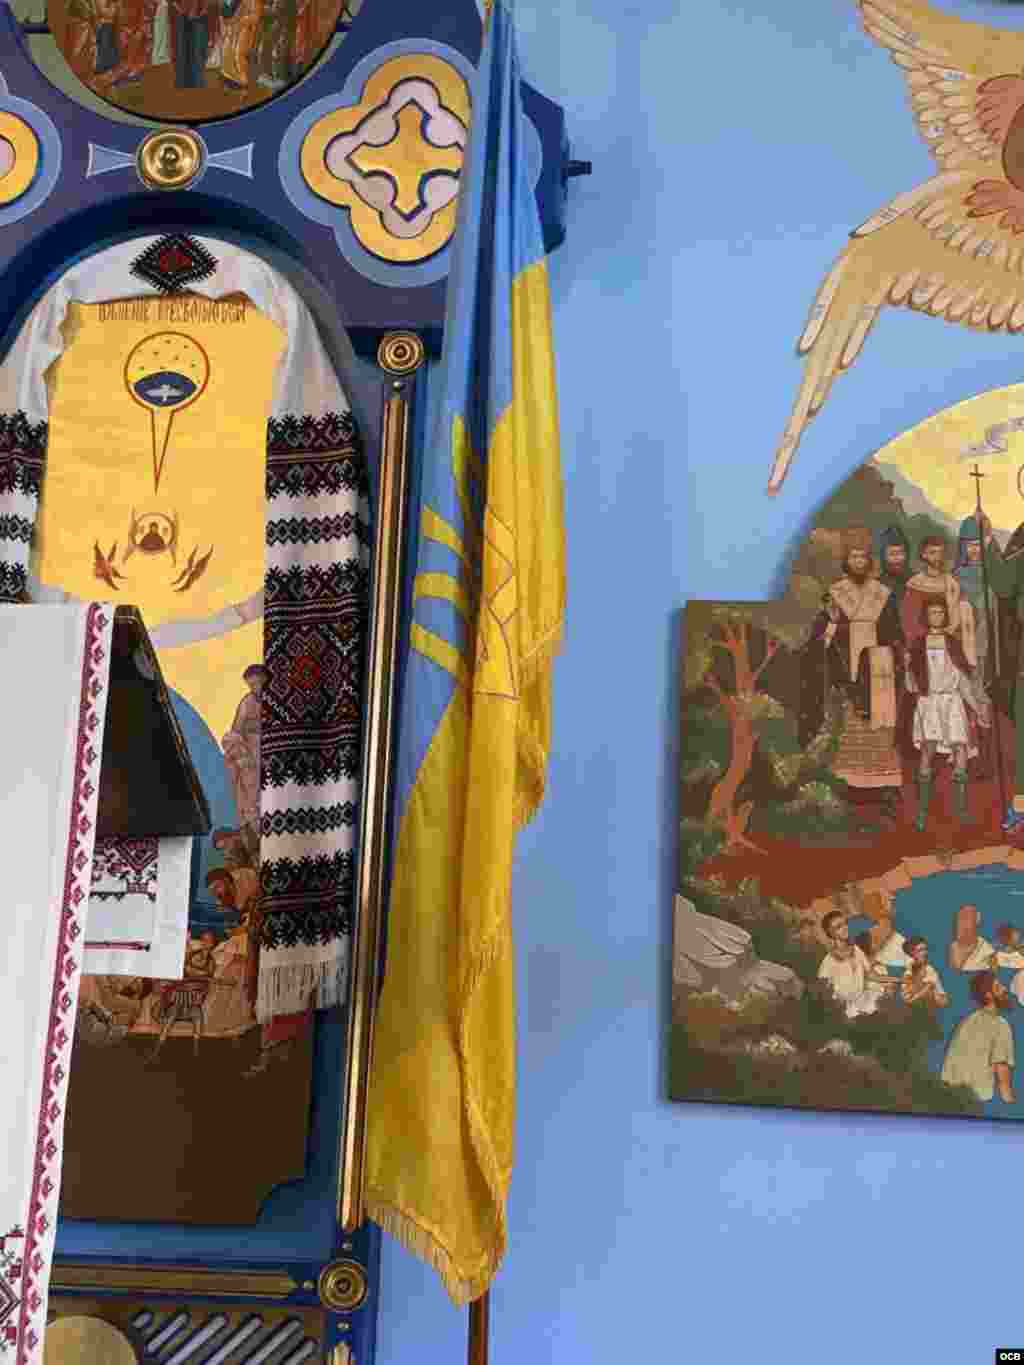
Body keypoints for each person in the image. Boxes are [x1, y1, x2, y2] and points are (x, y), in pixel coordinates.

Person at [800, 531, 905, 820]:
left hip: (879, 669)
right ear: (846, 561)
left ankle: (884, 788)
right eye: (853, 556)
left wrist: (896, 654)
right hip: (845, 669)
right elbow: (822, 634)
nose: (858, 561)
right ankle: (852, 789)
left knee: (881, 730)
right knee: (850, 727)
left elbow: (894, 630)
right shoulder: (834, 593)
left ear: (869, 561)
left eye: (862, 556)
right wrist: (832, 627)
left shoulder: (882, 593)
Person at [906, 597, 991, 830]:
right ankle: (922, 812)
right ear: (926, 616)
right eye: (932, 612)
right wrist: (909, 669)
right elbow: (911, 685)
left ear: (945, 616)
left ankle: (961, 811)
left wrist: (975, 707)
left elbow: (963, 681)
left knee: (960, 747)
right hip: (929, 702)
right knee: (928, 749)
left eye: (940, 613)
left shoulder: (952, 643)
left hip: (952, 701)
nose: (937, 616)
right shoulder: (917, 644)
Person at [941, 969, 1016, 1102]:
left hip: (952, 1098)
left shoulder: (968, 1021)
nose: (1005, 989)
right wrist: (1010, 1102)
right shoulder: (1000, 1024)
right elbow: (1002, 1072)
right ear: (988, 995)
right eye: (998, 987)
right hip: (978, 1100)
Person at [901, 534, 976, 662]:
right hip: (923, 647)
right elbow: (909, 623)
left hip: (950, 646)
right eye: (932, 553)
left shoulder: (952, 583)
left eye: (940, 553)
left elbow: (963, 615)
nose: (937, 557)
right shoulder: (915, 584)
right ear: (923, 555)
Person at [222, 662, 266, 862]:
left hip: (268, 753)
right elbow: (235, 733)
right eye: (251, 684)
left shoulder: (276, 699)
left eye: (258, 683)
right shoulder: (247, 702)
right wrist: (240, 755)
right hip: (250, 755)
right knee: (249, 801)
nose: (255, 688)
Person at [818, 909, 892, 1017]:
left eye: (845, 924)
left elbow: (873, 975)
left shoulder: (856, 950)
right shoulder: (828, 962)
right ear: (830, 933)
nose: (844, 928)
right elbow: (825, 996)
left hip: (866, 1004)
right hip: (850, 1014)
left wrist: (898, 981)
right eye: (838, 927)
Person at [900, 936, 949, 1007]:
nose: (925, 953)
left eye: (925, 949)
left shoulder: (930, 970)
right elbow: (906, 998)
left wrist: (934, 993)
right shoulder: (908, 972)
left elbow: (944, 1001)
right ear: (912, 953)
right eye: (920, 950)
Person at [948, 903, 995, 972]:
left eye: (966, 918)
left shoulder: (987, 951)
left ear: (977, 921)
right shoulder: (952, 947)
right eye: (959, 918)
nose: (961, 923)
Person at [878, 525, 912, 615]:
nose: (897, 558)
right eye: (892, 554)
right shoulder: (877, 585)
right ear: (884, 557)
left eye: (901, 553)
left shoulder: (917, 581)